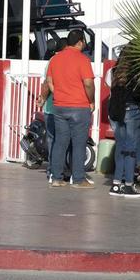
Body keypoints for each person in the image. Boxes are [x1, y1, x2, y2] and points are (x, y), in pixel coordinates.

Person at [44, 28, 96, 188]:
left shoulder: (55, 59)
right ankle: (78, 179)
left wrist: (59, 93)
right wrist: (91, 100)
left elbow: (49, 81)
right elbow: (88, 83)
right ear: (80, 42)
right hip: (79, 107)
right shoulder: (83, 60)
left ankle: (57, 178)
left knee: (60, 142)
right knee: (79, 143)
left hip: (59, 107)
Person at [105, 58, 140, 199]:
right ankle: (129, 185)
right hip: (131, 109)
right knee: (130, 148)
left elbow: (108, 84)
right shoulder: (137, 71)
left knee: (121, 147)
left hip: (116, 110)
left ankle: (116, 184)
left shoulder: (114, 71)